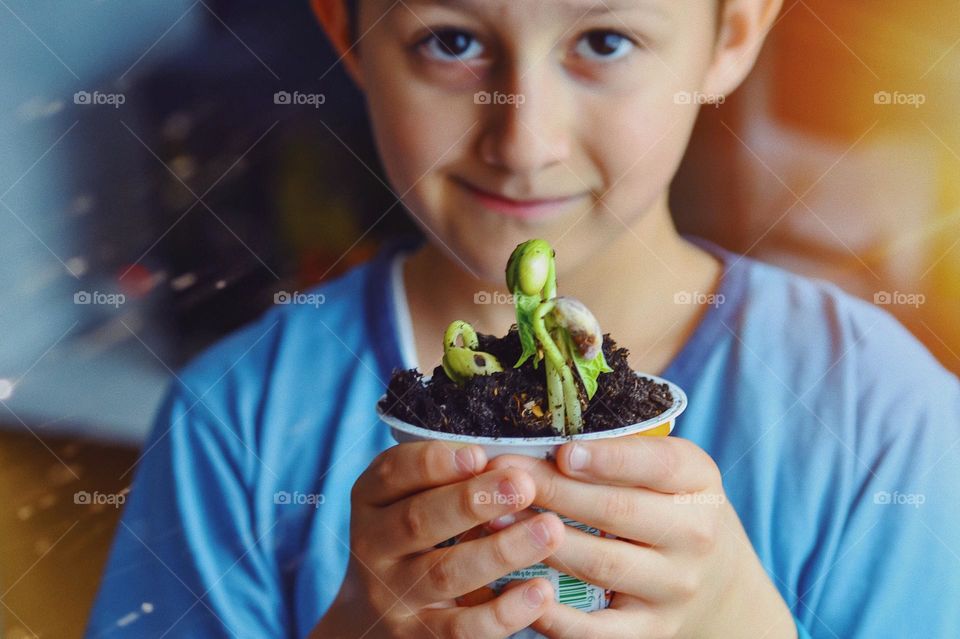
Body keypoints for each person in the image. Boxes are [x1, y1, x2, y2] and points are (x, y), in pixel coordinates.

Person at [85, 1, 960, 637]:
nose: (523, 140)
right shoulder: (232, 420)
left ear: (730, 34)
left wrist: (739, 622)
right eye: (452, 41)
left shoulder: (881, 413)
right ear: (344, 29)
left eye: (605, 41)